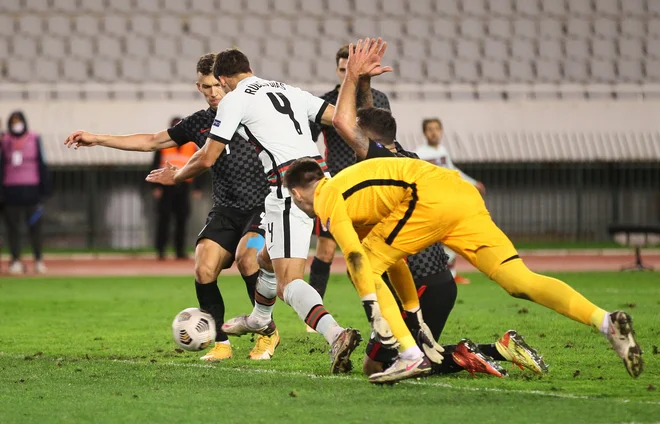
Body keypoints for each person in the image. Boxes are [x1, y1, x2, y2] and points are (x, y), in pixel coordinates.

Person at [284, 155, 643, 382]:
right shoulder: (354, 193)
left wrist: (370, 305)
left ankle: (409, 357)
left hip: (429, 197)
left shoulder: (327, 195)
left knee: (362, 270)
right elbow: (393, 262)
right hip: (461, 195)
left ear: (298, 194)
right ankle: (606, 321)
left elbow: (358, 261)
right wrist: (415, 316)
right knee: (518, 279)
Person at [327, 42, 546, 379]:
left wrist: (355, 78)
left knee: (382, 365)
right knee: (418, 353)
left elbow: (347, 123)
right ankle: (494, 349)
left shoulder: (378, 166)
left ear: (367, 141)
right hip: (437, 279)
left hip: (419, 282)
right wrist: (366, 84)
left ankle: (489, 351)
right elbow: (369, 121)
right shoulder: (408, 160)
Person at [145, 48, 361, 374]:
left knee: (289, 284)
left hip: (289, 189)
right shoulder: (287, 89)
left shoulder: (235, 99)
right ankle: (260, 319)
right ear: (251, 68)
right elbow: (343, 120)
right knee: (263, 260)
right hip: (325, 183)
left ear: (222, 79)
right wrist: (352, 81)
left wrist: (175, 175)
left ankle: (336, 334)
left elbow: (206, 157)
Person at [64, 54, 279, 361]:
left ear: (227, 81)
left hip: (262, 206)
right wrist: (97, 138)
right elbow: (151, 141)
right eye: (206, 87)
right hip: (226, 209)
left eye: (217, 85)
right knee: (203, 267)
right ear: (199, 86)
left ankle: (267, 335)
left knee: (248, 259)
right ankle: (220, 342)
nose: (213, 92)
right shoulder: (200, 123)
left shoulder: (256, 113)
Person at [307, 45, 392, 304]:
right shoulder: (323, 103)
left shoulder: (379, 99)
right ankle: (314, 313)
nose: (348, 75)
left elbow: (386, 138)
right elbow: (308, 143)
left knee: (379, 247)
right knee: (326, 249)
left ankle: (386, 304)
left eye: (351, 70)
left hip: (371, 182)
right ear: (338, 70)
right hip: (337, 183)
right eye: (343, 70)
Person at [415, 118, 486, 285]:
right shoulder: (420, 154)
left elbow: (453, 170)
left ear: (441, 131)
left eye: (437, 128)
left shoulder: (442, 150)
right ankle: (430, 276)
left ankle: (451, 275)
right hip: (430, 204)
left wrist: (473, 182)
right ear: (425, 133)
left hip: (446, 203)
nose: (433, 132)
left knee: (449, 239)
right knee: (433, 241)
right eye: (430, 129)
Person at [1, 111, 51, 275]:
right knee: (13, 229)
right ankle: (15, 260)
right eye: (13, 122)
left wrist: (44, 189)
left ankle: (38, 260)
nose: (16, 125)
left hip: (32, 190)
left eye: (19, 121)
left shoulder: (34, 138)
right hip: (11, 190)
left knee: (35, 228)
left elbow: (42, 163)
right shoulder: (5, 140)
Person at [151, 116, 203, 260]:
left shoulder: (191, 145)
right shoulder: (164, 145)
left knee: (182, 219)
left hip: (184, 186)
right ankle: (161, 250)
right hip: (166, 186)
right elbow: (155, 165)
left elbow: (198, 165)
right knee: (164, 219)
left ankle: (179, 251)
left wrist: (196, 187)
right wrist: (156, 186)